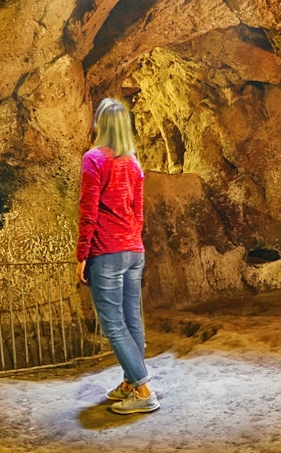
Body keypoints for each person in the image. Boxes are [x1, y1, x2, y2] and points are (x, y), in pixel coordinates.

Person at [76, 97, 160, 414]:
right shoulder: (134, 163)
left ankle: (143, 390)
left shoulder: (94, 160)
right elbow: (139, 214)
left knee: (113, 325)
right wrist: (132, 242)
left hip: (106, 252)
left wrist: (82, 254)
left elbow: (89, 212)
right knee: (132, 320)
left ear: (100, 125)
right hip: (132, 250)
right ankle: (129, 383)